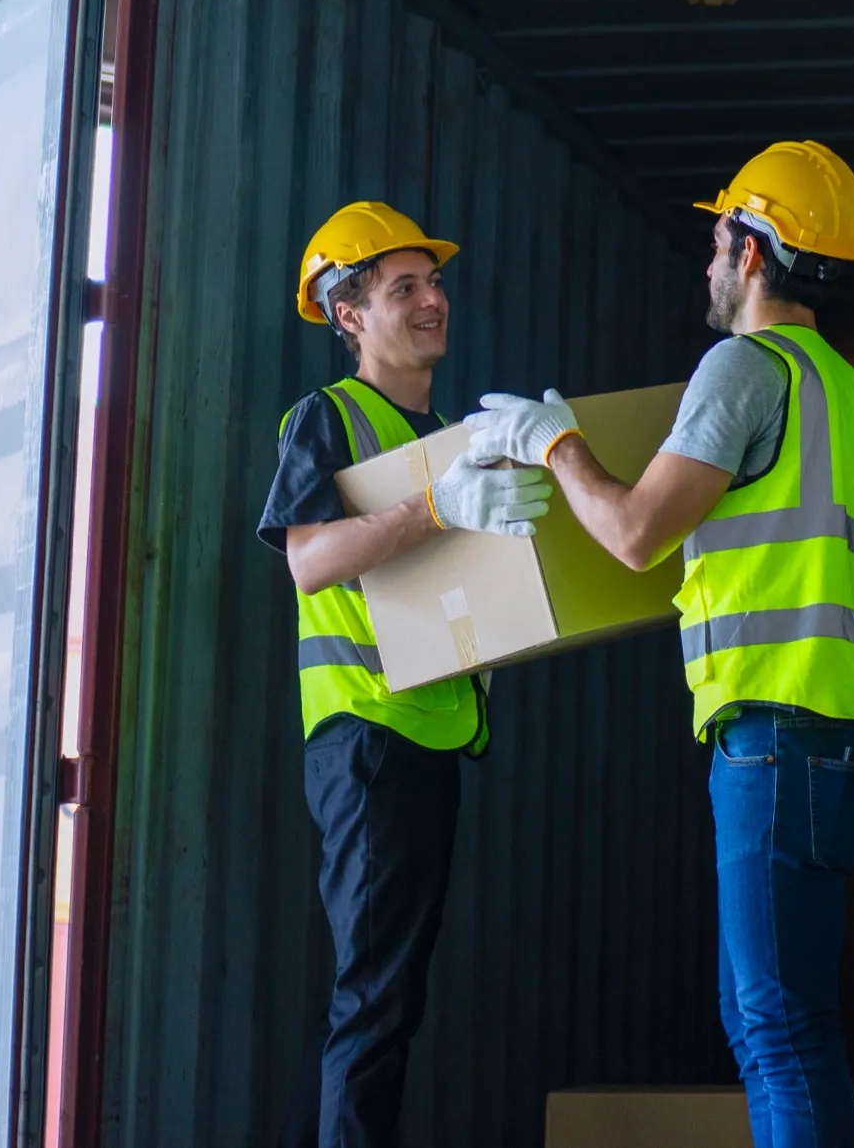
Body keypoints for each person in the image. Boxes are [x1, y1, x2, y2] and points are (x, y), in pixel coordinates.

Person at [467, 141, 854, 1148]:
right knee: (776, 1016)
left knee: (775, 1023)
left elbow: (635, 532)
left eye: (720, 235)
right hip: (844, 744)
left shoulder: (744, 366)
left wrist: (554, 441)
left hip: (770, 730)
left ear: (753, 250)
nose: (708, 258)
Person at [258, 201, 554, 1148]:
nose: (436, 301)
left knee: (373, 1003)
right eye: (405, 288)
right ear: (348, 315)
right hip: (368, 742)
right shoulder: (330, 417)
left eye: (435, 282)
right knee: (377, 1009)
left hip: (423, 739)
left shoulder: (439, 434)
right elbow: (307, 560)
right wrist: (440, 505)